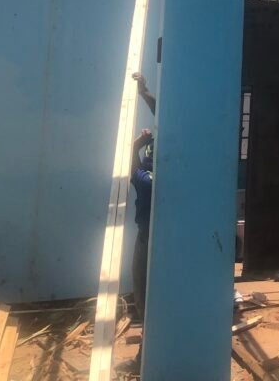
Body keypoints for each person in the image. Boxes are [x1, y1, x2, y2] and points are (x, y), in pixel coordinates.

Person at [119, 72, 155, 374]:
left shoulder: (148, 180)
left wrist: (135, 146)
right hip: (165, 238)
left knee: (144, 297)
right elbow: (168, 116)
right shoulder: (164, 173)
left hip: (149, 239)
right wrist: (144, 94)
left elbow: (134, 171)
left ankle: (146, 362)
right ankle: (147, 359)